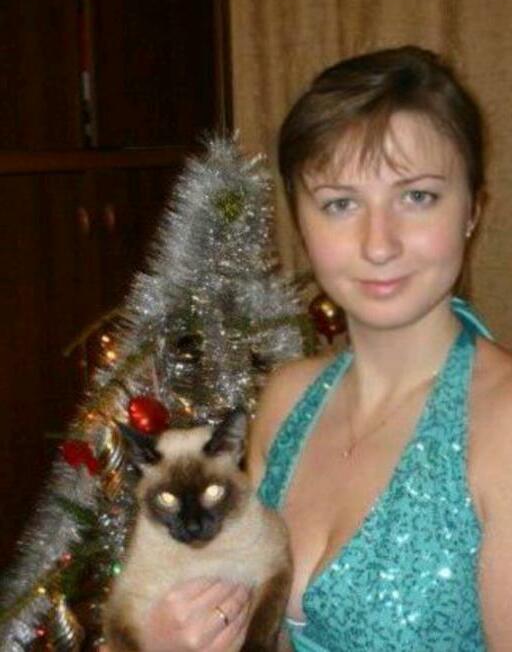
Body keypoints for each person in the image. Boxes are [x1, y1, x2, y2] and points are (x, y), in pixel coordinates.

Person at [103, 46, 512, 650]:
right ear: (300, 220)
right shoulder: (287, 399)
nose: (378, 244)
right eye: (340, 204)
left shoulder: (502, 424)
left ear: (472, 209)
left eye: (417, 196)